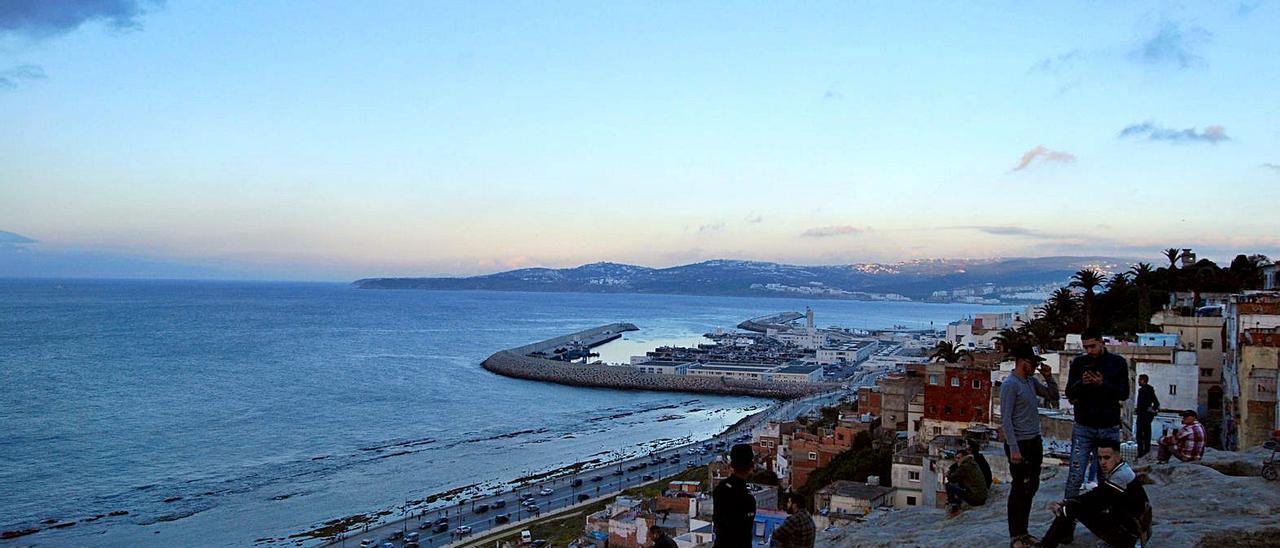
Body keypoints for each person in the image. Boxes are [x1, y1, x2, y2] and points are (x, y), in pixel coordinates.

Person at [1063, 327, 1128, 542]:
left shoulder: (1117, 363)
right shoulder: (1079, 364)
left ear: (1102, 342)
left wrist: (1103, 384)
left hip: (1108, 426)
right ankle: (1066, 526)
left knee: (1107, 479)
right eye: (1086, 347)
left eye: (1092, 345)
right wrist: (1083, 383)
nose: (1089, 350)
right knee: (1075, 476)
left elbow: (1123, 393)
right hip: (1084, 426)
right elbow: (1070, 393)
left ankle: (1106, 527)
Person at [1037, 440, 1151, 548]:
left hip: (1130, 534)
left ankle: (1047, 545)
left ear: (1118, 457)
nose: (1103, 462)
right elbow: (1098, 495)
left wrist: (1068, 504)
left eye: (1107, 458)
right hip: (1132, 526)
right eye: (1100, 458)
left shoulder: (1120, 476)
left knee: (1071, 508)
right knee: (1072, 507)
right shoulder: (1121, 469)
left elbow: (1098, 500)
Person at [1000, 344, 1050, 548]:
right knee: (1020, 488)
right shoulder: (1010, 384)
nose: (1035, 367)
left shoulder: (1030, 382)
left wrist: (1048, 376)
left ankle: (1024, 531)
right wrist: (1013, 448)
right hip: (1019, 443)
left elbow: (1052, 395)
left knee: (1031, 487)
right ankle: (1015, 535)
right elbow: (1006, 419)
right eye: (1032, 363)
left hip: (1034, 440)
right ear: (1022, 362)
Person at [712, 444, 757, 547]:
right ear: (751, 466)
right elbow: (744, 532)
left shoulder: (721, 488)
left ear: (731, 465)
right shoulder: (748, 498)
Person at [944, 447, 989, 514]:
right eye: (956, 458)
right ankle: (957, 503)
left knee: (949, 485)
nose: (957, 460)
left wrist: (947, 474)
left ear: (964, 457)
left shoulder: (964, 466)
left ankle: (953, 506)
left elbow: (951, 478)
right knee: (959, 482)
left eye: (959, 458)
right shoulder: (973, 462)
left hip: (976, 499)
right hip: (983, 497)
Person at [1135, 374, 1160, 458]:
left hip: (1142, 416)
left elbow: (1142, 404)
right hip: (1148, 416)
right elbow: (1156, 403)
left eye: (1139, 380)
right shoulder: (1150, 389)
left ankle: (1141, 453)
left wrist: (1147, 410)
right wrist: (1152, 410)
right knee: (1147, 435)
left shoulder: (1142, 390)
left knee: (1139, 436)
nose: (1138, 381)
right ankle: (1146, 452)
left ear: (1143, 380)